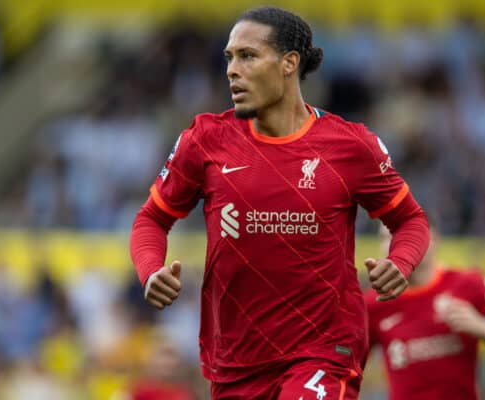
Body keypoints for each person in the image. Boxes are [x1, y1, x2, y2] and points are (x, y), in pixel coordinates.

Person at [130, 6, 429, 399]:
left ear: (289, 63)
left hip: (323, 352)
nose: (232, 70)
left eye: (248, 56)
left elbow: (411, 221)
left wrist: (401, 262)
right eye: (229, 57)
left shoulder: (349, 145)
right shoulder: (205, 140)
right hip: (236, 361)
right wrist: (150, 270)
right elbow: (151, 219)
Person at [364, 221, 485, 400]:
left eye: (398, 235)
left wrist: (480, 326)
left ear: (430, 238)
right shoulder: (373, 304)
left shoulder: (469, 285)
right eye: (384, 238)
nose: (391, 245)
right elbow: (342, 369)